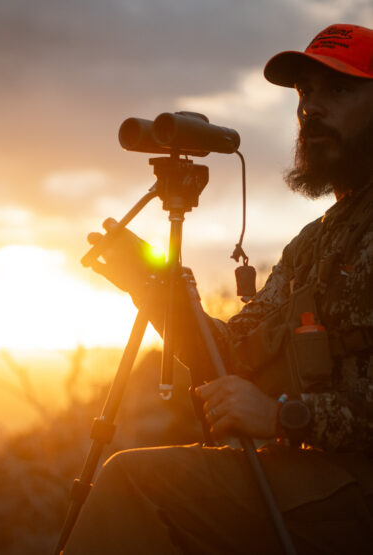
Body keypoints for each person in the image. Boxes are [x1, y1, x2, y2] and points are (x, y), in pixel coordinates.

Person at [63, 23, 373, 554]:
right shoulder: (312, 244)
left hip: (353, 484)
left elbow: (274, 408)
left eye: (339, 90)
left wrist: (283, 416)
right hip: (310, 475)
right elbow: (229, 362)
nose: (311, 109)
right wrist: (156, 291)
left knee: (133, 483)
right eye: (305, 92)